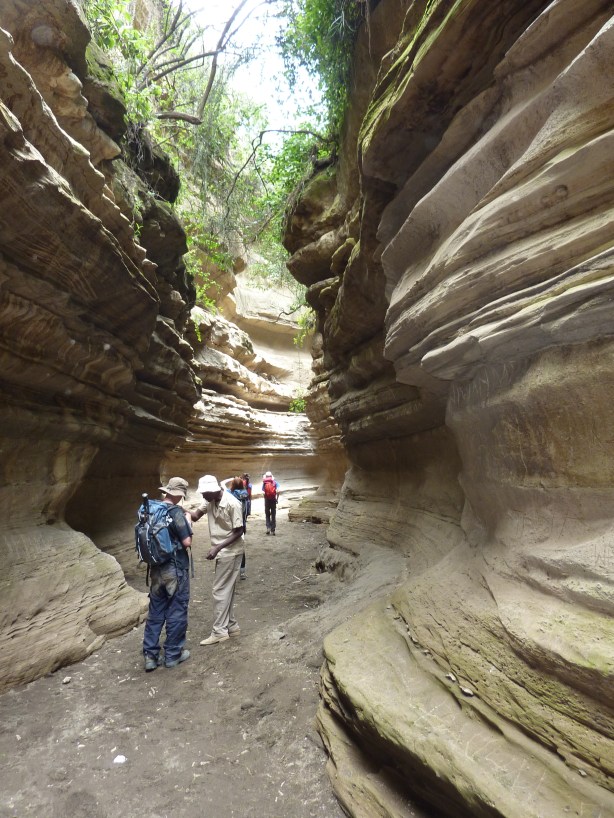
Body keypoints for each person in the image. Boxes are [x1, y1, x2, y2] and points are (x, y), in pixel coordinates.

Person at [142, 477, 192, 671]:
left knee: (155, 611)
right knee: (177, 610)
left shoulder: (151, 509)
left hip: (156, 569)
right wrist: (188, 521)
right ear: (179, 495)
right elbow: (187, 542)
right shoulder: (175, 512)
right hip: (174, 568)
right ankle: (172, 655)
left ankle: (150, 656)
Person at [189, 474, 245, 645]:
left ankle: (219, 632)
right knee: (226, 590)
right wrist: (178, 509)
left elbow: (239, 531)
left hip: (231, 552)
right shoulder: (210, 500)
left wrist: (217, 548)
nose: (203, 496)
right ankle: (232, 626)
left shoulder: (232, 503)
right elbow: (195, 516)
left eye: (204, 493)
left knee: (219, 591)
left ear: (214, 490)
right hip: (224, 552)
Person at [262, 471, 279, 535]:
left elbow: (263, 492)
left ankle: (268, 528)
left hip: (267, 500)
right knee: (273, 514)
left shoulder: (264, 483)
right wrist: (277, 499)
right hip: (273, 500)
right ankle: (273, 530)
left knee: (267, 514)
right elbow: (278, 491)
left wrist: (265, 498)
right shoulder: (275, 483)